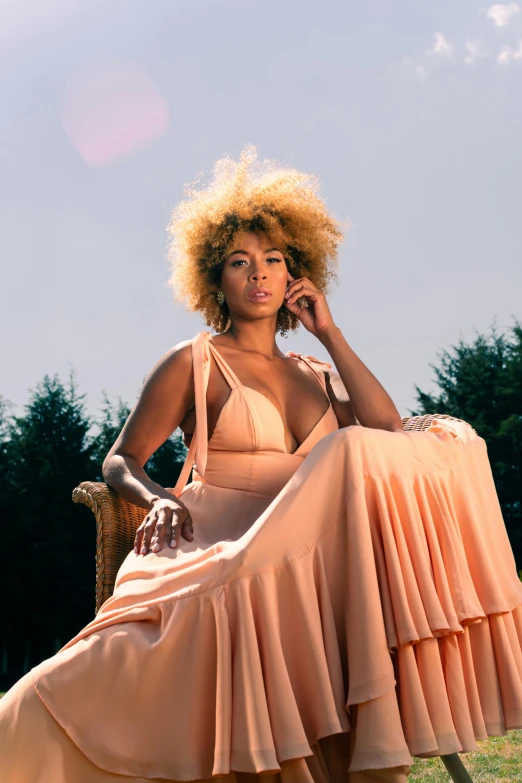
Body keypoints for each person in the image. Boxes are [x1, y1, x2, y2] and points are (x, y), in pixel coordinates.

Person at [1, 145, 521, 783]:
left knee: (367, 456)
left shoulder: (319, 373)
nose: (259, 275)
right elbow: (120, 460)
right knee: (110, 661)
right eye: (239, 263)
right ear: (213, 279)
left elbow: (387, 430)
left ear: (296, 273)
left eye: (274, 260)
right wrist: (160, 495)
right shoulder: (192, 361)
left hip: (313, 548)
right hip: (214, 535)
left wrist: (329, 331)